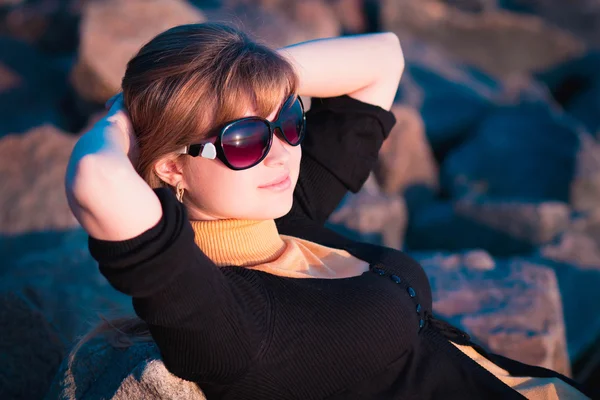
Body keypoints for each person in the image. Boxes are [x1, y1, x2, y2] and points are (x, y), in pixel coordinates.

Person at [64, 22, 593, 400]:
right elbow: (97, 179)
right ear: (170, 167)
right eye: (244, 140)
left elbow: (382, 58)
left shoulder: (283, 213)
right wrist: (125, 115)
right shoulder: (227, 321)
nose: (283, 151)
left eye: (289, 120)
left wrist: (251, 76)